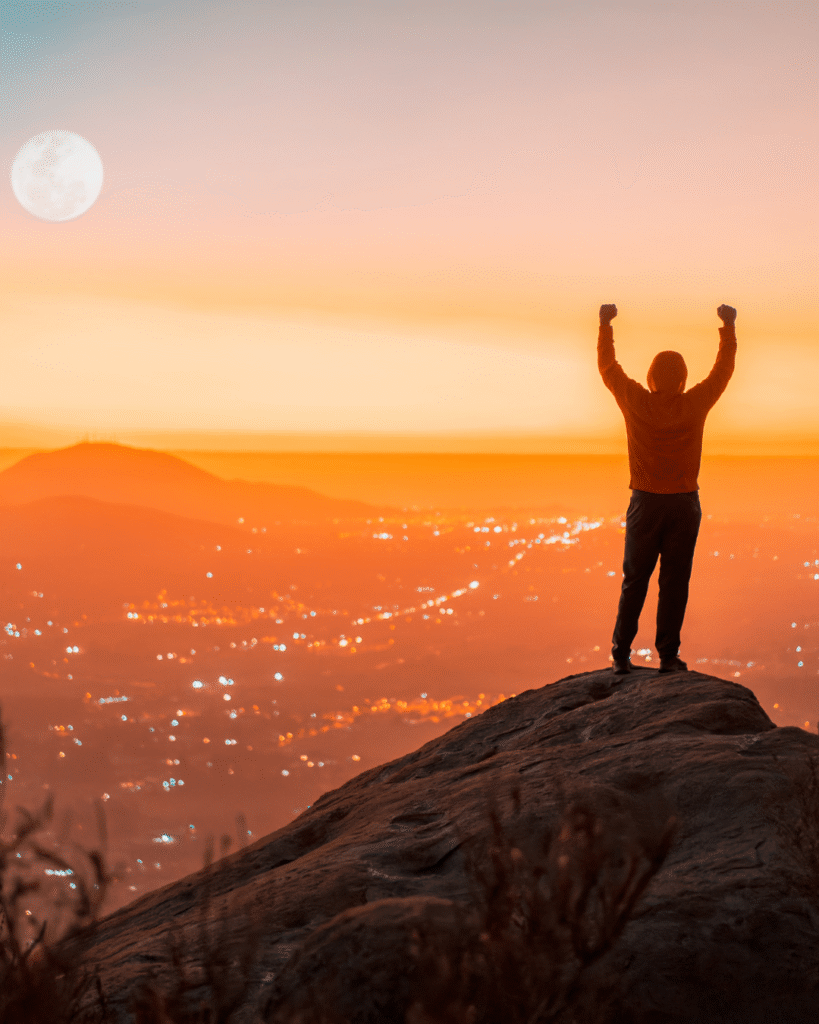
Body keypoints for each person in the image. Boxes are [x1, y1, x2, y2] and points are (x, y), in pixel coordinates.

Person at [597, 303, 737, 674]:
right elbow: (722, 372)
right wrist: (728, 328)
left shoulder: (637, 402)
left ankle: (621, 655)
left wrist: (605, 326)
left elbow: (609, 370)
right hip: (683, 505)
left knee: (635, 581)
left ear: (652, 377)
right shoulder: (695, 403)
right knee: (674, 583)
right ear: (682, 380)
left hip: (645, 503)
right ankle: (668, 657)